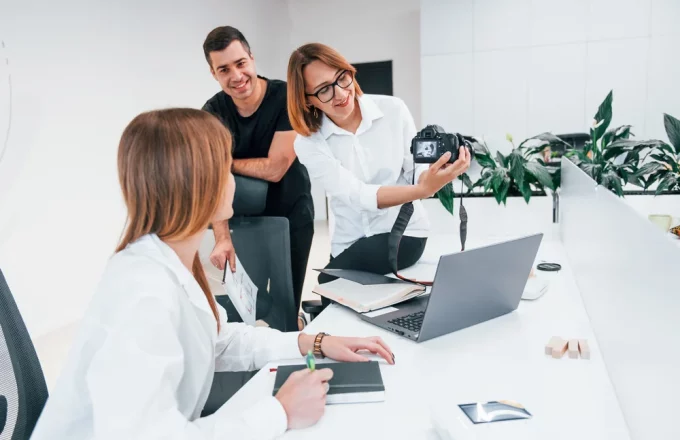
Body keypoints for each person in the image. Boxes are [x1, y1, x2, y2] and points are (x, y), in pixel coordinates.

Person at [30, 108, 395, 439]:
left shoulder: (169, 261)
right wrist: (279, 412)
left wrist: (313, 342)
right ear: (199, 183)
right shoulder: (143, 294)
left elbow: (220, 342)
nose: (234, 180)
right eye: (226, 167)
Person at [287, 43, 470, 295]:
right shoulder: (308, 142)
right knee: (332, 292)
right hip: (348, 242)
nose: (340, 94)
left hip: (405, 234)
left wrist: (430, 178)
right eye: (323, 90)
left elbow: (415, 171)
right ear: (307, 100)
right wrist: (421, 189)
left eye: (342, 77)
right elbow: (358, 195)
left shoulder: (393, 109)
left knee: (329, 287)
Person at [201, 26, 314, 329]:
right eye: (224, 69)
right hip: (245, 220)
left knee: (286, 304)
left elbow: (276, 168)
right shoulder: (212, 112)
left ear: (251, 58)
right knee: (250, 304)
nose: (236, 76)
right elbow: (213, 180)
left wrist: (226, 163)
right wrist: (222, 237)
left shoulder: (284, 96)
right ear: (213, 73)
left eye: (240, 64)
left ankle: (295, 333)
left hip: (291, 214)